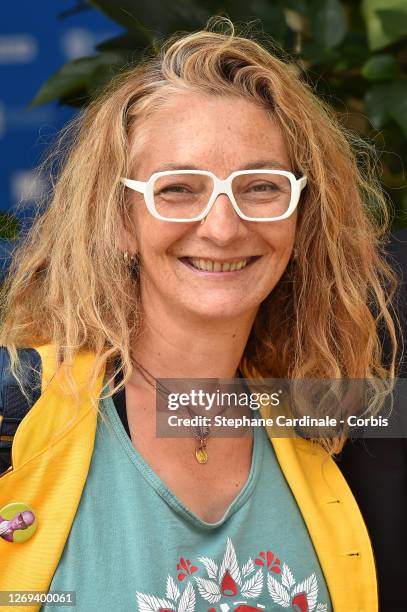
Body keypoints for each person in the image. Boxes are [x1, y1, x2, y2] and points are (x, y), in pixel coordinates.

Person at [0, 23, 403, 611]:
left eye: (261, 187)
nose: (222, 227)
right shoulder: (15, 414)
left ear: (301, 215)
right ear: (119, 219)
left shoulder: (337, 430)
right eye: (179, 189)